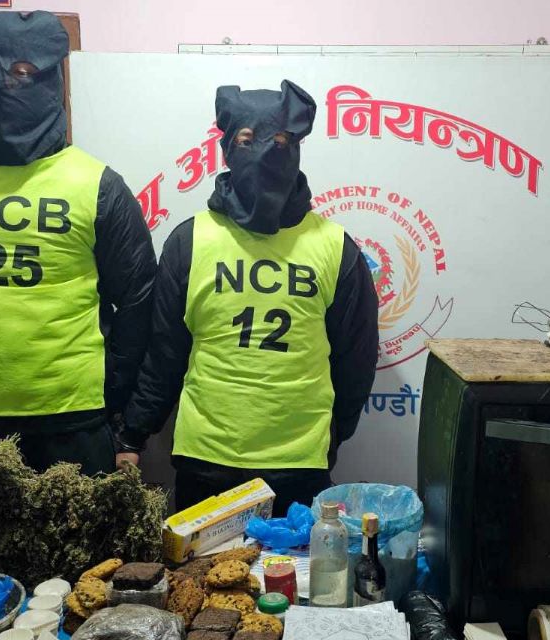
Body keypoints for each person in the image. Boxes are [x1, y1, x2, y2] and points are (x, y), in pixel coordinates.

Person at [0, 10, 155, 474]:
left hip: (72, 413)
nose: (1, 86)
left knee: (77, 528)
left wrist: (111, 392)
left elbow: (138, 300)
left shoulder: (97, 184)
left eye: (21, 72)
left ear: (50, 78)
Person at [118, 80, 379, 516]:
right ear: (227, 149)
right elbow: (164, 353)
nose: (266, 153)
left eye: (281, 141)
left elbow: (356, 359)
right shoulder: (191, 240)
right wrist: (133, 435)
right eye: (246, 140)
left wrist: (333, 435)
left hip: (299, 463)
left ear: (296, 149)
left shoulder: (336, 248)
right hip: (206, 459)